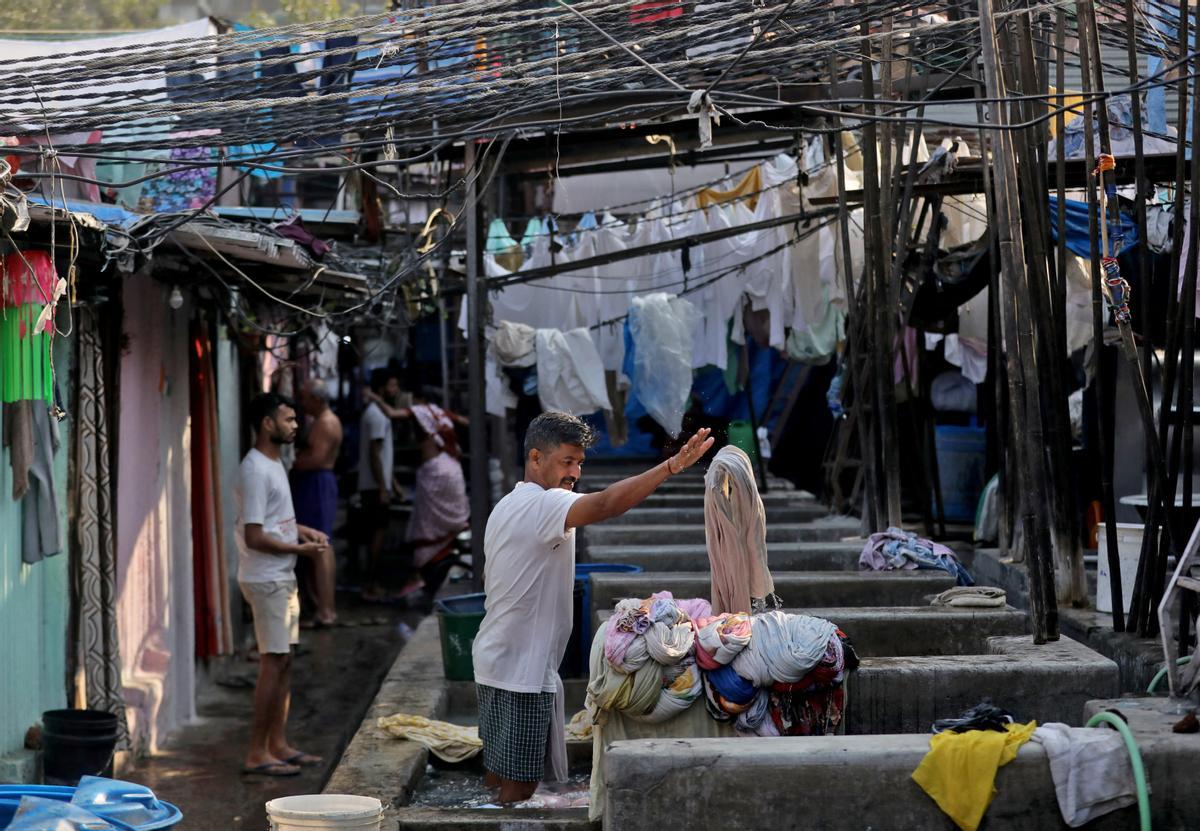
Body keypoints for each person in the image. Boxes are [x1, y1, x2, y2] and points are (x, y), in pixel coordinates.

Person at [470, 411, 713, 804]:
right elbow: (605, 505)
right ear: (536, 459)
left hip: (496, 657)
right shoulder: (544, 503)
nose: (575, 473)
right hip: (520, 669)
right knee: (520, 789)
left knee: (499, 775)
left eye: (580, 463)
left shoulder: (507, 505)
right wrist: (669, 467)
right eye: (567, 462)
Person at [236, 392, 330, 777]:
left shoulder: (276, 463)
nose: (295, 425)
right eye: (288, 419)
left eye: (295, 419)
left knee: (285, 662)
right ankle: (257, 752)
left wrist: (304, 532)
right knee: (273, 664)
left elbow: (276, 520)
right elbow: (255, 535)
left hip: (282, 576)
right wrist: (300, 549)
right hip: (266, 577)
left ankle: (278, 743)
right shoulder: (255, 468)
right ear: (266, 423)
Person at [364, 386, 469, 598]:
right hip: (452, 469)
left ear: (419, 398)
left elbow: (392, 414)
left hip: (435, 474)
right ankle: (431, 568)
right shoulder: (442, 414)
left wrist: (374, 396)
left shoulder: (419, 412)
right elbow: (466, 422)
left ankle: (419, 573)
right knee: (442, 525)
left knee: (426, 525)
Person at [291, 379, 343, 627]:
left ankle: (326, 610)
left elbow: (317, 459)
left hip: (317, 483)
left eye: (305, 397)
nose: (302, 403)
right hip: (315, 483)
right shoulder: (322, 421)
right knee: (319, 543)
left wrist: (291, 462)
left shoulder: (326, 423)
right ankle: (323, 607)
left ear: (317, 399)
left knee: (320, 543)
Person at [358, 369, 398, 601]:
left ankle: (371, 584)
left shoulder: (378, 413)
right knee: (376, 536)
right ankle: (370, 585)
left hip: (376, 485)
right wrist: (383, 487)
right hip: (373, 487)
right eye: (392, 386)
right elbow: (375, 454)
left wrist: (393, 484)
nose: (395, 391)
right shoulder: (376, 415)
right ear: (382, 388)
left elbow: (381, 456)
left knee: (376, 535)